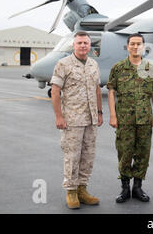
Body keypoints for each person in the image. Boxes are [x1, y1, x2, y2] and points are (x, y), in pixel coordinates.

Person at [50, 31, 103, 209]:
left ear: (90, 46)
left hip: (91, 119)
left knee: (88, 156)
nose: (82, 46)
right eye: (79, 43)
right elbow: (55, 91)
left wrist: (100, 112)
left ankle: (82, 188)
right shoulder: (63, 64)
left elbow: (96, 89)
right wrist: (59, 116)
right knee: (72, 156)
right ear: (73, 45)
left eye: (86, 43)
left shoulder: (94, 64)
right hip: (72, 119)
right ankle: (71, 191)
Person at [107, 33, 153, 203]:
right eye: (132, 44)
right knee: (124, 152)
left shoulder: (149, 68)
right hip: (124, 119)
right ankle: (124, 188)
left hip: (145, 119)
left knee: (143, 153)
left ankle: (137, 187)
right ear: (127, 46)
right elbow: (111, 92)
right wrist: (113, 115)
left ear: (143, 46)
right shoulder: (118, 67)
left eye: (139, 44)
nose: (135, 47)